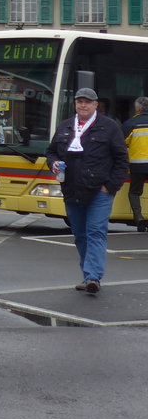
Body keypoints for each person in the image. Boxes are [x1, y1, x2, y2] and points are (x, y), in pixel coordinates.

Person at [46, 87, 129, 294]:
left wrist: (109, 187)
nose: (83, 105)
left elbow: (121, 159)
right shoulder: (65, 126)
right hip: (72, 190)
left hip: (99, 192)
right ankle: (87, 275)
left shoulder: (109, 127)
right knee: (80, 235)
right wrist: (54, 163)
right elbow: (51, 152)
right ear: (75, 104)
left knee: (96, 232)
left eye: (87, 102)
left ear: (95, 105)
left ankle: (93, 277)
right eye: (79, 101)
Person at [122, 95, 148, 232]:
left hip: (138, 166)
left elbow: (120, 144)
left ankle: (139, 219)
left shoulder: (130, 124)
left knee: (134, 192)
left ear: (137, 109)